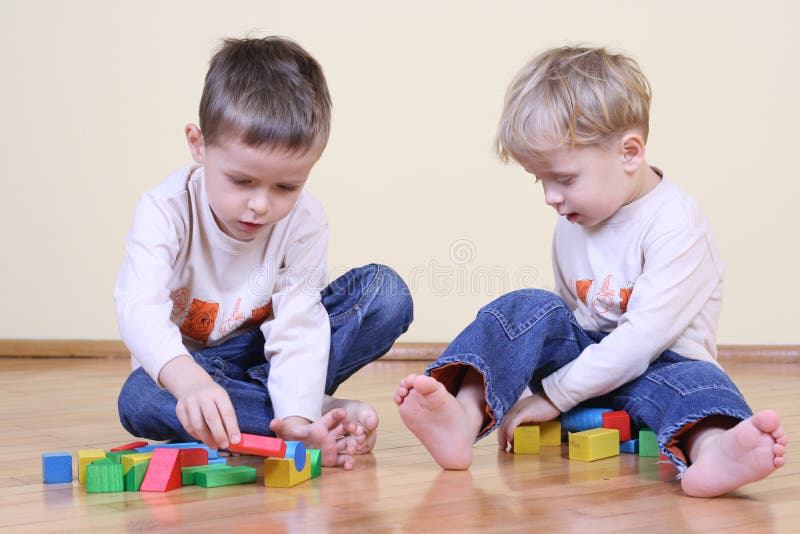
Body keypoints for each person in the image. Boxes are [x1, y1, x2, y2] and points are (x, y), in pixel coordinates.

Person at [394, 45, 787, 496]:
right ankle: (464, 415)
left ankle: (715, 449)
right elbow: (569, 316)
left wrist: (553, 396)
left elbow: (641, 341)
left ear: (630, 153)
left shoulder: (677, 223)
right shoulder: (574, 219)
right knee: (531, 307)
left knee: (699, 383)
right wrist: (548, 389)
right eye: (539, 180)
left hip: (659, 368)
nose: (550, 197)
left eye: (564, 179)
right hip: (587, 367)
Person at [115, 36, 413, 470]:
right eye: (241, 181)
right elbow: (138, 307)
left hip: (266, 355)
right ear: (198, 144)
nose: (261, 205)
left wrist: (297, 424)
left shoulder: (305, 220)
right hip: (193, 369)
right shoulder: (165, 209)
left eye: (286, 187)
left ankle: (293, 414)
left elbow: (297, 323)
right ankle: (312, 409)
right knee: (139, 396)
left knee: (385, 293)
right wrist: (190, 382)